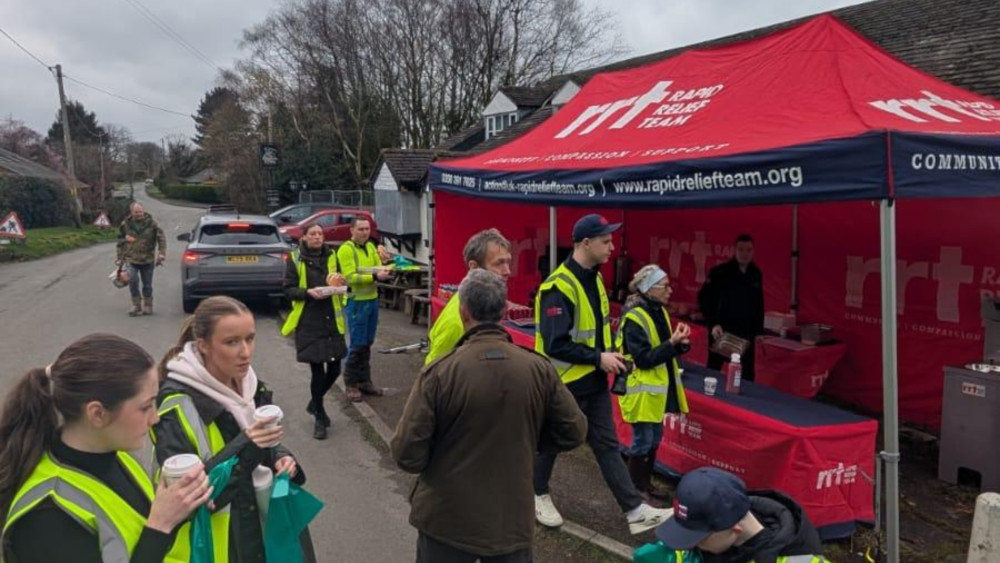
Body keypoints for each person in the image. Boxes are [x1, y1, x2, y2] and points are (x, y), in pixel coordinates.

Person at [392, 269, 587, 563]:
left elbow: (406, 453)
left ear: (463, 311)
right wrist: (531, 440)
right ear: (505, 310)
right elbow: (574, 431)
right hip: (510, 521)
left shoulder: (440, 373)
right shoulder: (539, 369)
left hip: (446, 520)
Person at [0, 333, 211, 562]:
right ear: (97, 414)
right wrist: (161, 525)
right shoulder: (47, 516)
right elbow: (150, 535)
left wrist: (179, 507)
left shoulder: (117, 456)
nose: (155, 418)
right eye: (145, 407)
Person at [534, 213, 673, 535]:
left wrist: (608, 357)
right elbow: (555, 343)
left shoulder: (594, 278)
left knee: (607, 445)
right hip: (564, 383)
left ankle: (635, 510)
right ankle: (536, 493)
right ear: (585, 243)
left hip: (593, 382)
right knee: (552, 442)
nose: (613, 247)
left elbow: (595, 331)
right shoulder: (558, 286)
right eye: (605, 241)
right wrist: (599, 358)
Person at [153, 296, 314, 563]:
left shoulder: (250, 384)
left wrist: (280, 457)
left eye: (250, 338)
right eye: (231, 342)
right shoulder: (176, 405)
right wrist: (250, 443)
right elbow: (188, 496)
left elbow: (266, 444)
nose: (246, 352)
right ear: (203, 345)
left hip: (261, 523)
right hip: (218, 544)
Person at [617, 265, 691, 502]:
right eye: (665, 286)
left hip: (655, 390)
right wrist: (672, 343)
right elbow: (644, 359)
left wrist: (680, 343)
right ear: (649, 289)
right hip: (641, 389)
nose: (670, 290)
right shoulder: (635, 317)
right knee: (642, 441)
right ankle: (634, 487)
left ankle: (644, 484)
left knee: (654, 438)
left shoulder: (658, 310)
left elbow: (663, 349)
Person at [654, 467, 826, 563]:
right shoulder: (714, 539)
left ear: (735, 529)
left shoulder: (802, 560)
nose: (689, 546)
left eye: (698, 539)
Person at [281, 222, 348, 440]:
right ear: (305, 237)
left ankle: (313, 402)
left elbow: (341, 280)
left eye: (320, 234)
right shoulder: (295, 259)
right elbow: (288, 290)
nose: (318, 237)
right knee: (318, 371)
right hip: (310, 320)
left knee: (336, 368)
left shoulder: (332, 256)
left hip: (332, 320)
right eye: (313, 234)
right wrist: (309, 293)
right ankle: (319, 416)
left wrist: (341, 285)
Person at [424, 228, 513, 365]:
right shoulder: (456, 323)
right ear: (474, 267)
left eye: (508, 262)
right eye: (499, 263)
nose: (507, 271)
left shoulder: (481, 303)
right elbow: (433, 373)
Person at [337, 217, 392, 402]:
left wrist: (387, 266)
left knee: (367, 343)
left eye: (367, 229)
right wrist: (376, 276)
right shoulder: (346, 249)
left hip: (372, 300)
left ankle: (365, 381)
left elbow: (378, 268)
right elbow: (350, 277)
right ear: (351, 230)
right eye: (360, 229)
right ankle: (350, 383)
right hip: (356, 302)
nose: (365, 232)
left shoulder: (370, 247)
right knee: (357, 344)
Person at [698, 234, 764, 381]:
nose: (744, 254)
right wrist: (713, 323)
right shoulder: (720, 272)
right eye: (740, 249)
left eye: (748, 250)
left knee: (745, 374)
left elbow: (759, 304)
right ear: (734, 250)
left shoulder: (755, 274)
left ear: (753, 252)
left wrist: (759, 331)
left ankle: (745, 403)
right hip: (722, 330)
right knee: (714, 371)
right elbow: (704, 298)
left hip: (746, 333)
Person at [117, 202, 166, 316]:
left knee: (147, 284)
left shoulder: (152, 224)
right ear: (131, 212)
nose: (139, 214)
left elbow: (161, 238)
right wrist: (120, 256)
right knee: (133, 281)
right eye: (136, 212)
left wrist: (161, 253)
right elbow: (119, 241)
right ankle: (136, 305)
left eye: (140, 212)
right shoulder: (125, 224)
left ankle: (148, 305)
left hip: (147, 259)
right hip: (131, 258)